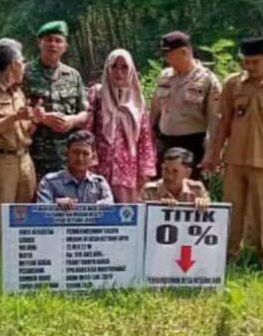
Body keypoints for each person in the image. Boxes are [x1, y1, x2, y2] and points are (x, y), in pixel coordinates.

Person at [201, 38, 263, 267]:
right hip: (234, 159)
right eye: (245, 62)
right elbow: (224, 124)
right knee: (233, 211)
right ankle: (230, 256)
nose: (249, 66)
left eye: (254, 62)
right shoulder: (232, 84)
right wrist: (213, 154)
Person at [0, 39, 39, 254]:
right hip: (1, 161)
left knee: (25, 214)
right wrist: (14, 117)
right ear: (12, 64)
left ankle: (20, 265)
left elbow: (24, 128)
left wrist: (35, 120)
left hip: (24, 159)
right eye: (22, 61)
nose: (24, 66)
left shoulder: (18, 93)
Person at [150, 31, 222, 180]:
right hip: (165, 142)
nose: (166, 58)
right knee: (162, 193)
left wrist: (210, 153)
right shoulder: (164, 76)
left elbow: (215, 120)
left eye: (169, 54)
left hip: (193, 144)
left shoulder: (207, 79)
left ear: (184, 52)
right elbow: (154, 110)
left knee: (191, 193)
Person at [87, 49, 156, 203]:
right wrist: (89, 161)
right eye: (114, 67)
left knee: (126, 217)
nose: (119, 72)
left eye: (124, 67)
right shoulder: (97, 94)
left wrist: (145, 171)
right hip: (100, 167)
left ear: (131, 70)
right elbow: (87, 130)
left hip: (128, 170)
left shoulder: (137, 99)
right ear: (107, 69)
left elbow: (145, 138)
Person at [23, 21, 89, 180]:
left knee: (67, 203)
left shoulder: (73, 75)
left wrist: (72, 121)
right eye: (49, 39)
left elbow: (86, 112)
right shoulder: (24, 73)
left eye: (58, 40)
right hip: (34, 155)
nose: (53, 44)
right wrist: (43, 119)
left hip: (67, 157)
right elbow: (15, 110)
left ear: (65, 46)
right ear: (40, 43)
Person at [36, 130, 114, 208]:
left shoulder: (99, 183)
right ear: (66, 154)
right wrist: (56, 205)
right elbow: (41, 212)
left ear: (93, 157)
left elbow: (110, 208)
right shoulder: (49, 182)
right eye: (76, 152)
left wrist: (95, 208)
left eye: (85, 153)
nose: (80, 158)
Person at [141, 147, 209, 211]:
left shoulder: (197, 189)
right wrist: (160, 207)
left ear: (187, 173)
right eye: (166, 169)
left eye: (175, 171)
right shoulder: (149, 190)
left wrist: (203, 204)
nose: (169, 176)